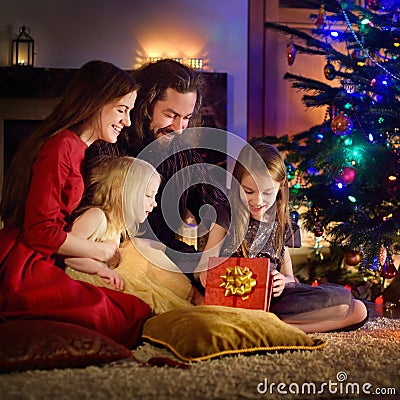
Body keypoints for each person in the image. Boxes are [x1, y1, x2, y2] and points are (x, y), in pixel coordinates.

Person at [0, 60, 152, 348]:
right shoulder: (61, 147)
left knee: (132, 309)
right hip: (24, 266)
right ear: (94, 103)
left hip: (42, 260)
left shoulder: (78, 150)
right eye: (122, 110)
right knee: (118, 318)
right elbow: (41, 232)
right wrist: (101, 251)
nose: (128, 121)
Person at [85, 59, 230, 289]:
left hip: (167, 254)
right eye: (170, 115)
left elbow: (220, 207)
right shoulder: (108, 144)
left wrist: (207, 260)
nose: (179, 127)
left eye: (186, 117)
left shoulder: (183, 155)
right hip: (112, 257)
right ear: (145, 104)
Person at [214, 141, 368, 333]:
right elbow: (204, 267)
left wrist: (282, 281)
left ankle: (274, 327)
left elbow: (290, 278)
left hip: (276, 301)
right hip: (236, 298)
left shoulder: (281, 225)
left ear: (280, 187)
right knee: (349, 310)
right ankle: (272, 326)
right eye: (248, 191)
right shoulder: (225, 215)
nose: (258, 201)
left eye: (267, 192)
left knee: (356, 308)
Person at [65, 155, 196, 314]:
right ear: (124, 192)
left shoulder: (118, 226)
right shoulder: (96, 216)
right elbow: (67, 254)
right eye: (148, 195)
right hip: (85, 281)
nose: (154, 203)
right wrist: (100, 270)